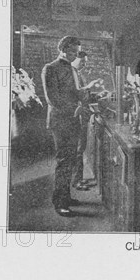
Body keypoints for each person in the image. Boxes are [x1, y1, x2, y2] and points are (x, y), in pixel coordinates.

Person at [41, 36, 100, 217]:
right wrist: (74, 108)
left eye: (76, 51)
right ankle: (59, 203)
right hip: (61, 121)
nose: (75, 55)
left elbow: (76, 93)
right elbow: (53, 99)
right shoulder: (50, 68)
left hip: (72, 120)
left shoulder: (71, 69)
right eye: (72, 51)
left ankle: (65, 197)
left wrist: (89, 91)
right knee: (64, 162)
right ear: (62, 49)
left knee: (69, 161)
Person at [71, 51, 97, 191]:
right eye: (83, 62)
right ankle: (76, 181)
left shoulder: (78, 73)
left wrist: (93, 95)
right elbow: (76, 94)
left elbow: (83, 94)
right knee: (78, 149)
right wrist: (89, 87)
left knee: (80, 148)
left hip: (83, 114)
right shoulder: (72, 73)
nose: (84, 65)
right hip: (78, 115)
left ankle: (79, 178)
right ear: (75, 59)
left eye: (85, 62)